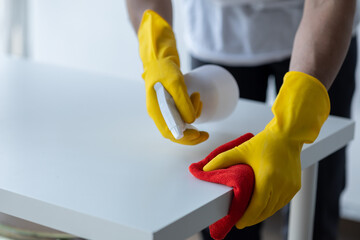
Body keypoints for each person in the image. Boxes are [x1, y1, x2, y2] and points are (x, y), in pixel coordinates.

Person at [126, 0, 358, 239]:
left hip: (321, 31)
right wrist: (154, 47)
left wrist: (291, 127)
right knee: (226, 211)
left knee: (318, 200)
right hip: (218, 31)